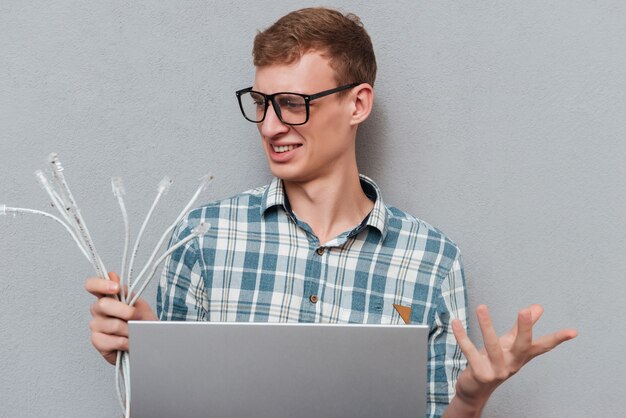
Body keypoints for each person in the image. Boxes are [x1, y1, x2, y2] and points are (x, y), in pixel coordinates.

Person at [86, 7, 577, 417]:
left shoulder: (432, 259)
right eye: (261, 103)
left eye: (293, 103)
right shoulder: (200, 237)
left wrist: (470, 399)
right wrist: (143, 353)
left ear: (357, 104)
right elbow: (168, 411)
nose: (271, 126)